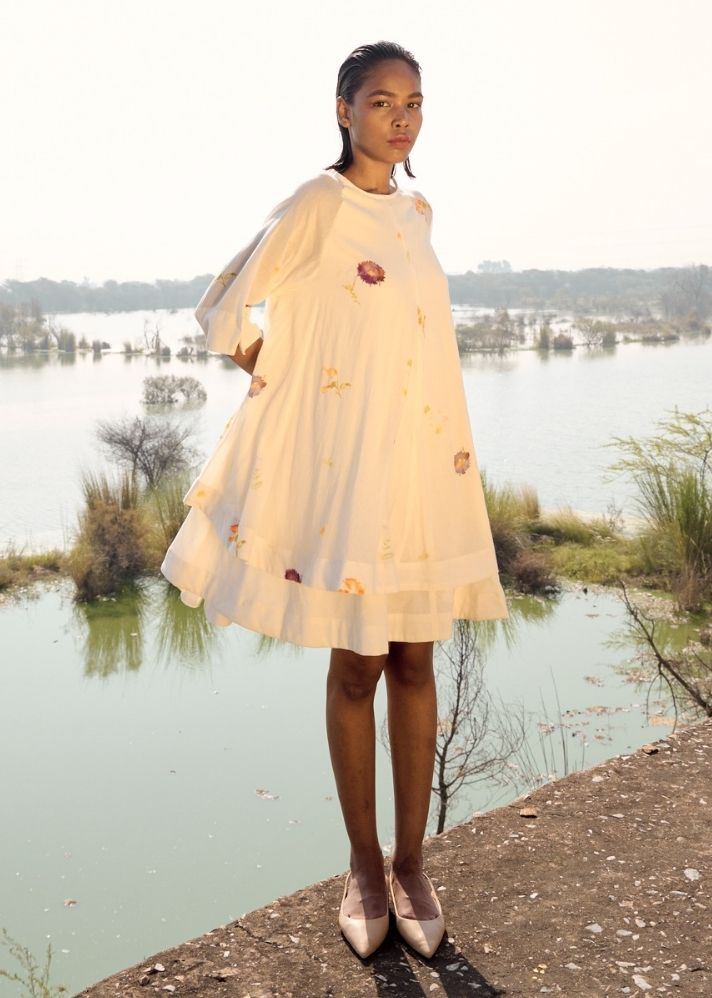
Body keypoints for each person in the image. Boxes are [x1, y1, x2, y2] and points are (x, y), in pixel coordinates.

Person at [160, 40, 508, 960]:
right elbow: (226, 305)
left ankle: (412, 863)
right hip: (349, 480)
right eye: (383, 100)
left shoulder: (420, 211)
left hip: (424, 473)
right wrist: (284, 386)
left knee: (417, 659)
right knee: (358, 666)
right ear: (344, 110)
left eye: (416, 102)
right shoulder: (318, 203)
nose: (402, 116)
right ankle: (361, 865)